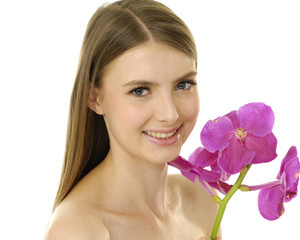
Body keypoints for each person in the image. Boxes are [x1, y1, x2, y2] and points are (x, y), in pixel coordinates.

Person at [44, 0, 221, 239]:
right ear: (95, 98)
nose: (170, 114)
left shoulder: (202, 199)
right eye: (140, 90)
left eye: (183, 84)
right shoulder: (79, 229)